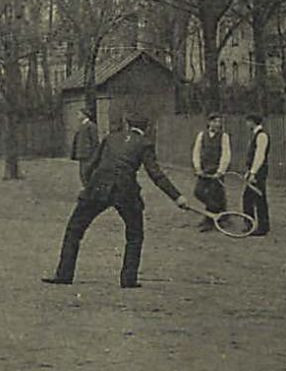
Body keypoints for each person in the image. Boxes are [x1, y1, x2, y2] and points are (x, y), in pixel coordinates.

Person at [44, 112, 190, 289]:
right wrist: (177, 197)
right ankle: (128, 279)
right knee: (135, 235)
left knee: (74, 229)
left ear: (128, 126)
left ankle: (64, 275)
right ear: (146, 129)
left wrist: (89, 187)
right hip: (125, 191)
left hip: (97, 188)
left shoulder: (110, 138)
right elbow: (156, 174)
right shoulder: (145, 144)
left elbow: (91, 164)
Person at [190, 113, 231, 232]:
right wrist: (197, 168)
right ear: (209, 122)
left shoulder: (224, 136)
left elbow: (226, 154)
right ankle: (222, 213)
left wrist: (221, 171)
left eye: (219, 122)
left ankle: (209, 220)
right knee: (198, 192)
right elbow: (196, 152)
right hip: (204, 171)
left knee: (215, 194)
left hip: (216, 171)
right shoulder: (201, 135)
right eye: (214, 121)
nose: (217, 124)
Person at [242, 113, 271, 236]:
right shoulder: (255, 135)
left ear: (253, 122)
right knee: (248, 198)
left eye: (248, 121)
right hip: (253, 171)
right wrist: (249, 171)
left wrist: (253, 172)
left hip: (259, 172)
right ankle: (250, 223)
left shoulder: (262, 135)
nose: (246, 124)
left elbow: (260, 156)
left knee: (259, 198)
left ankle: (262, 227)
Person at [70, 109, 100, 184]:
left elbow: (95, 142)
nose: (78, 116)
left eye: (79, 114)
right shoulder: (81, 126)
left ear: (85, 114)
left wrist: (94, 156)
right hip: (82, 155)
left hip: (88, 155)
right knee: (82, 175)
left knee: (87, 174)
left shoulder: (91, 126)